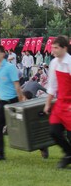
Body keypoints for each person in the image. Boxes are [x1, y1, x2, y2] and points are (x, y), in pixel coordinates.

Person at [0, 45, 24, 161]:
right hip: (3, 103)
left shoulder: (10, 68)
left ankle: (42, 147)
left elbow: (17, 86)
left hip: (14, 101)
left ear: (3, 54)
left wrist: (21, 101)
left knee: (22, 127)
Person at [44, 36, 71, 169]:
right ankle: (68, 154)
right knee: (54, 132)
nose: (52, 50)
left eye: (56, 48)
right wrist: (48, 103)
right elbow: (52, 86)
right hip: (61, 103)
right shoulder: (54, 63)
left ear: (64, 48)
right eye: (52, 47)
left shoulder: (70, 63)